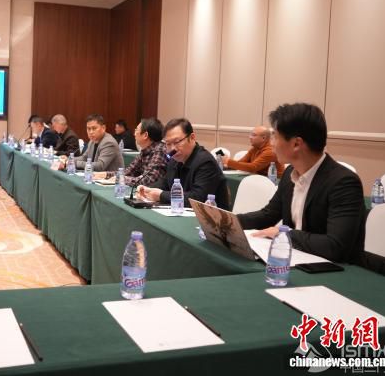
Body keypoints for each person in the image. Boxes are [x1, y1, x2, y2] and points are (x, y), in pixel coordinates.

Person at [237, 103, 366, 263]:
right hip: (295, 260)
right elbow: (268, 214)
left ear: (296, 144)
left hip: (330, 269)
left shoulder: (343, 182)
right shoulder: (290, 174)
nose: (272, 144)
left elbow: (335, 246)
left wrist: (284, 234)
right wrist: (229, 221)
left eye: (275, 137)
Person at [137, 118, 229, 209]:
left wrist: (161, 195)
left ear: (192, 137)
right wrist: (147, 190)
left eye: (177, 142)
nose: (172, 148)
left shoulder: (206, 162)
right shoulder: (174, 159)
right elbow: (165, 183)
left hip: (211, 217)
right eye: (168, 144)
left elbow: (197, 198)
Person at [121, 118, 167, 187]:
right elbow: (129, 171)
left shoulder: (160, 151)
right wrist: (107, 175)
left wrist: (120, 179)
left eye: (136, 130)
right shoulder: (145, 150)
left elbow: (148, 181)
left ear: (145, 135)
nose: (134, 134)